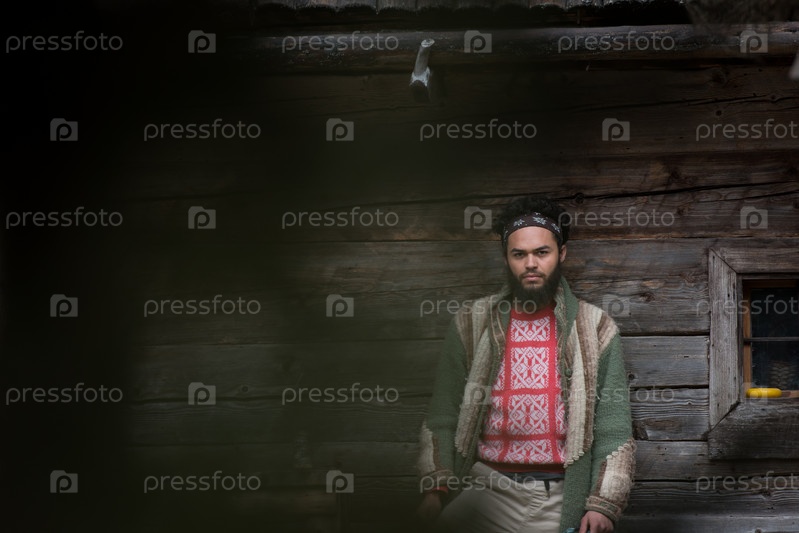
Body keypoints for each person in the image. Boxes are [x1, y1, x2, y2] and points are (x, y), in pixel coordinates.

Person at [416, 196, 635, 533]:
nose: (531, 263)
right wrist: (435, 487)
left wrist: (602, 504)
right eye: (519, 254)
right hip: (485, 488)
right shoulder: (472, 323)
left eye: (542, 252)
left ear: (561, 253)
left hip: (557, 496)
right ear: (506, 257)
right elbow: (442, 414)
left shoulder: (595, 327)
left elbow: (613, 428)